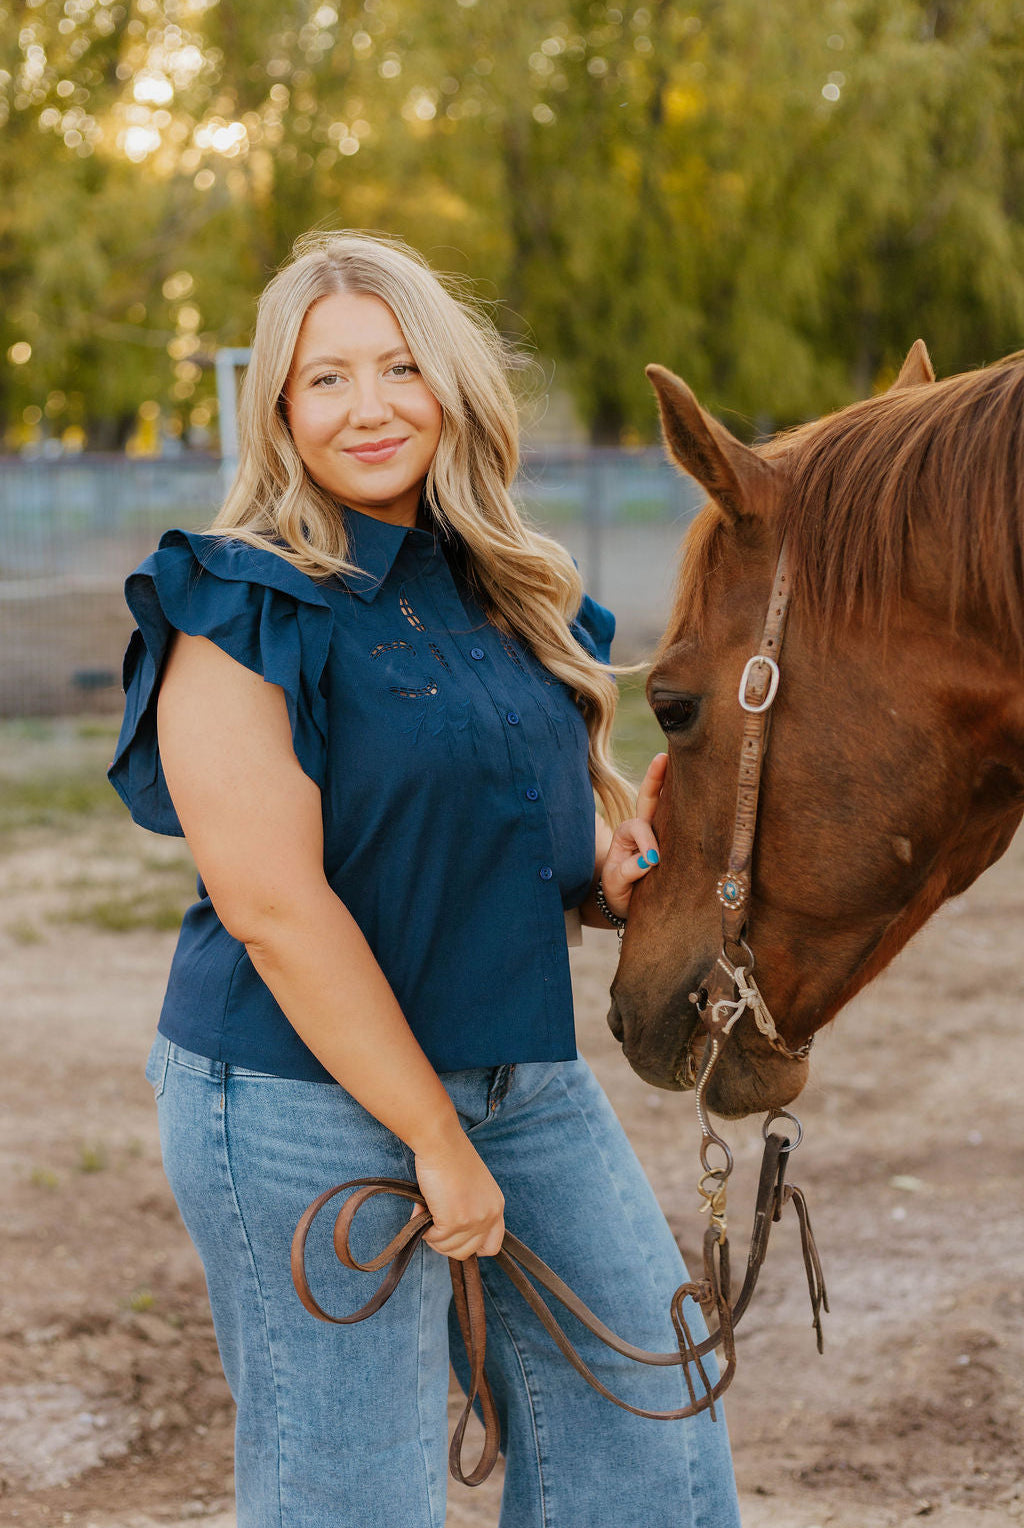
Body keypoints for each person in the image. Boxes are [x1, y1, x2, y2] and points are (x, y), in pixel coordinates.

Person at [109, 231, 740, 1528]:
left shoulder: (508, 592)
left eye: (400, 367)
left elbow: (513, 828)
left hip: (516, 1075)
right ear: (279, 409)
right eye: (326, 378)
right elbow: (275, 911)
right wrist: (435, 1142)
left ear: (451, 387)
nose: (370, 406)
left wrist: (604, 873)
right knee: (355, 1501)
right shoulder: (242, 606)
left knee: (650, 1439)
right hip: (297, 1093)